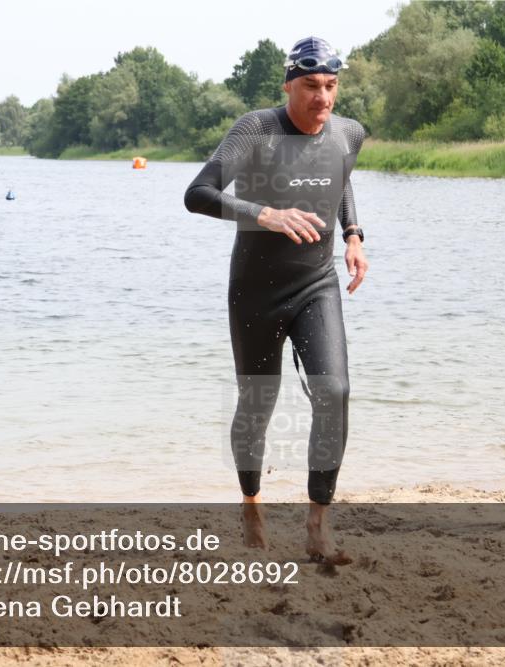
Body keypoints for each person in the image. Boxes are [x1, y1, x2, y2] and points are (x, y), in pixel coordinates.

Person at [184, 36, 367, 562]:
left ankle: (318, 525)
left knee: (334, 391)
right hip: (256, 290)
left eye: (330, 86)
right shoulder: (257, 130)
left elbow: (340, 180)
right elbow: (198, 194)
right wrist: (264, 213)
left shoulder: (349, 133)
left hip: (317, 283)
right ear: (288, 85)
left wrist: (353, 235)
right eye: (310, 85)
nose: (322, 97)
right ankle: (251, 503)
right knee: (257, 403)